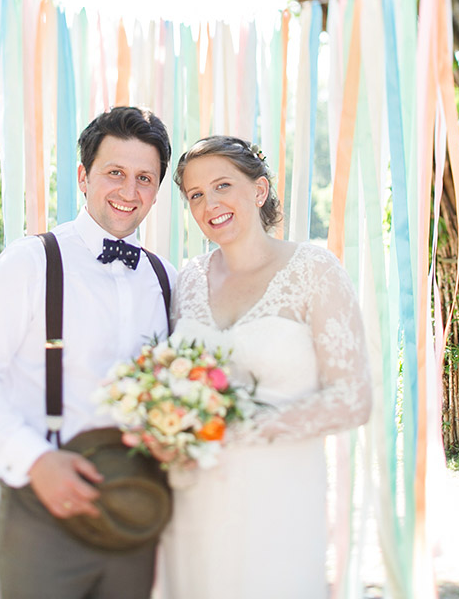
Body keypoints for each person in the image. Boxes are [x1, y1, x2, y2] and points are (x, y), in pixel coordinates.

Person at [0, 106, 175, 599]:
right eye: (115, 172)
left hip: (136, 503)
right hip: (42, 502)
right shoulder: (29, 263)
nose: (129, 192)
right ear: (83, 176)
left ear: (157, 191)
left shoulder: (166, 280)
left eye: (145, 178)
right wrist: (35, 462)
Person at [158, 135, 372, 599]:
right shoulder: (188, 278)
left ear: (259, 190)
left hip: (280, 496)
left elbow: (353, 399)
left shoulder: (315, 269)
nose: (209, 203)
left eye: (222, 186)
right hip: (194, 496)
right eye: (195, 195)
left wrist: (236, 429)